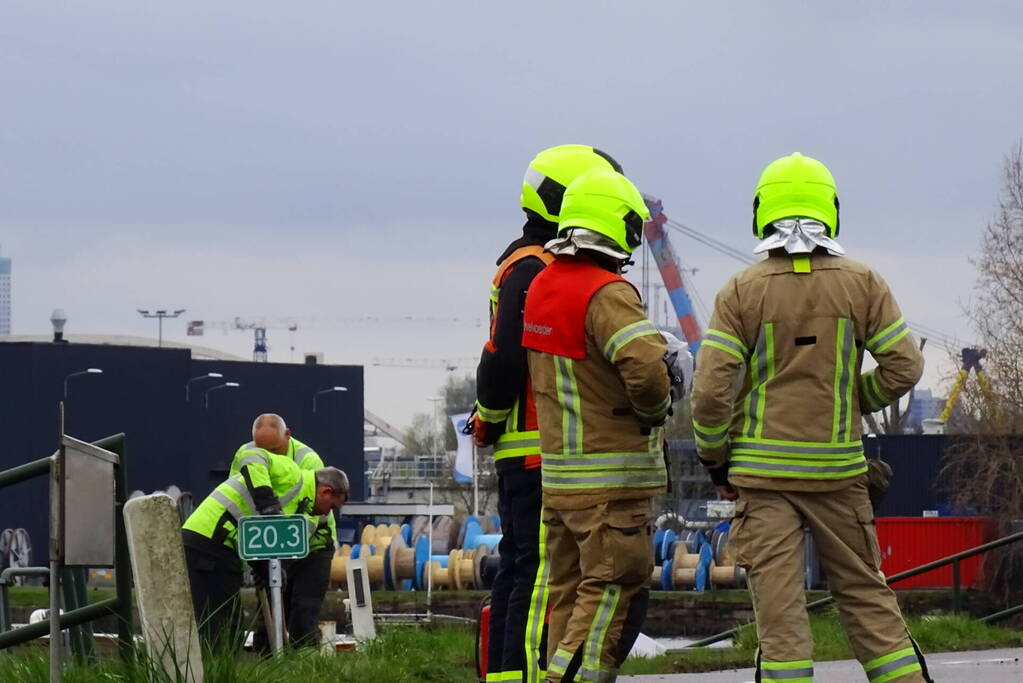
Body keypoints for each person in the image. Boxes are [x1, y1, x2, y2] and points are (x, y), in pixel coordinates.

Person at [690, 152, 931, 682]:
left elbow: (708, 393)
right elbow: (905, 366)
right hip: (839, 475)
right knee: (867, 600)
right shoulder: (863, 282)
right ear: (831, 211)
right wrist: (853, 399)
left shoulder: (741, 290)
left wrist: (715, 460)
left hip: (763, 479)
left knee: (781, 621)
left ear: (762, 212)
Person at [522, 167, 689, 683]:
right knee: (610, 591)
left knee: (567, 596)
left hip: (561, 482)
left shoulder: (543, 286)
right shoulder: (608, 293)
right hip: (611, 487)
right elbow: (646, 372)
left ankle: (549, 673)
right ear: (619, 226)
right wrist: (654, 411)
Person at [471, 144, 625, 683]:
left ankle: (507, 674)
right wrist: (489, 417)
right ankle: (526, 675)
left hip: (527, 450)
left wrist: (488, 420)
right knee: (538, 575)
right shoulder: (537, 269)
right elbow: (505, 357)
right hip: (540, 448)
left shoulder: (526, 263)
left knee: (520, 571)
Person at [182, 457, 349, 650]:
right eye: (332, 507)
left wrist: (264, 568)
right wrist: (267, 502)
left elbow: (260, 537)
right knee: (220, 622)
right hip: (209, 540)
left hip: (218, 544)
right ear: (325, 491)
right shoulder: (291, 474)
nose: (328, 513)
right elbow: (252, 459)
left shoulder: (300, 505)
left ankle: (218, 664)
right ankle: (213, 666)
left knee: (230, 621)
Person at [231, 414, 336, 647]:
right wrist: (257, 560)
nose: (269, 455)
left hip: (314, 546)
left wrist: (284, 552)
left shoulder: (308, 460)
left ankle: (304, 661)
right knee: (268, 614)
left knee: (303, 611)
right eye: (262, 449)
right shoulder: (246, 455)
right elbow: (240, 501)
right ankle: (268, 661)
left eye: (275, 449)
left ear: (288, 435)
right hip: (273, 547)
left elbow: (314, 514)